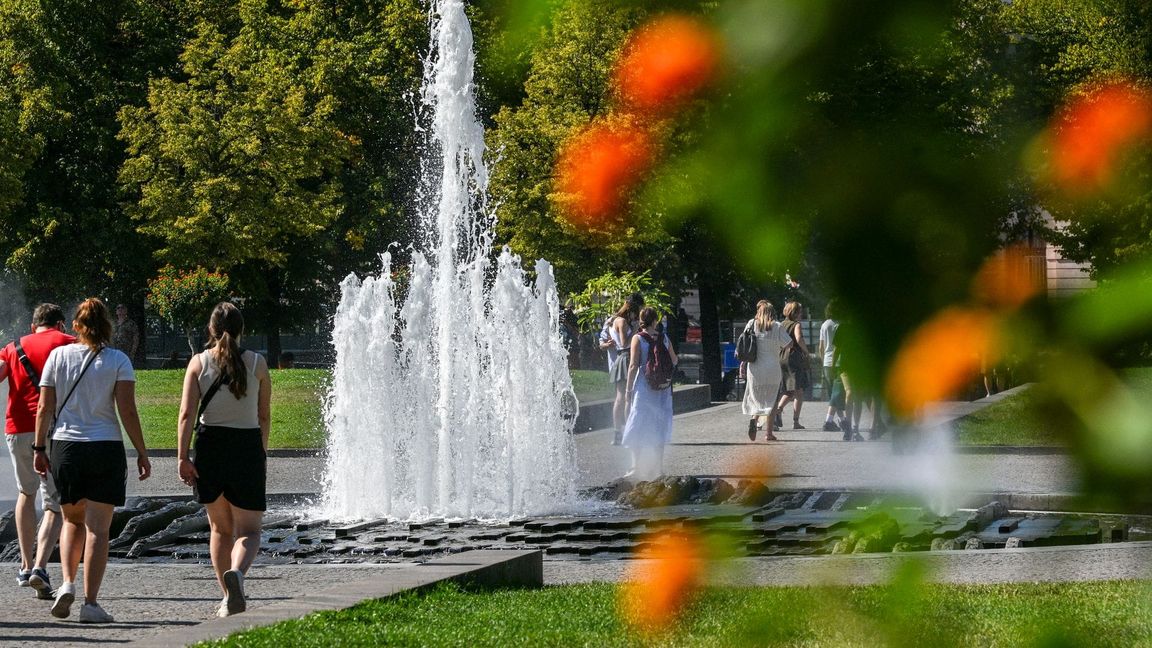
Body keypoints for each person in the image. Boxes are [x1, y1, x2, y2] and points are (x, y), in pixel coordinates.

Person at [33, 298, 151, 623]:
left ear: (75, 325)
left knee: (71, 521)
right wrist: (142, 451)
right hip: (104, 446)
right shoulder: (118, 360)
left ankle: (67, 582)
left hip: (65, 448)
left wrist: (39, 449)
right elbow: (127, 410)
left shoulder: (57, 357)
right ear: (108, 326)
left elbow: (44, 408)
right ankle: (91, 603)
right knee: (98, 528)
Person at [177, 302, 271, 618]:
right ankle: (239, 575)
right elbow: (263, 415)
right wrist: (261, 452)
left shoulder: (198, 363)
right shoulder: (257, 363)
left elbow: (187, 414)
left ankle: (225, 597)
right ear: (242, 329)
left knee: (220, 529)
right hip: (246, 445)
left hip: (210, 446)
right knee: (249, 531)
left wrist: (182, 457)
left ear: (211, 329)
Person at [0, 303, 74, 600]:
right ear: (61, 324)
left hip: (16, 428)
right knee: (54, 503)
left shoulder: (12, 346)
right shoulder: (70, 343)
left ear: (33, 326)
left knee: (25, 493)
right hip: (54, 430)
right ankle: (40, 568)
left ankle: (25, 564)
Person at [621, 307, 677, 480]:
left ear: (641, 319)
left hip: (644, 388)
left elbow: (633, 366)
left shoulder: (638, 338)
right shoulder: (664, 337)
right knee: (659, 425)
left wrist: (628, 390)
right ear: (655, 320)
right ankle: (658, 469)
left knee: (637, 423)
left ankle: (636, 466)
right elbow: (674, 360)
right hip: (662, 389)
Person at [740, 301, 791, 442]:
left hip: (755, 367)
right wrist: (778, 348)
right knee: (773, 399)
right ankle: (769, 433)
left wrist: (742, 363)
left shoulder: (751, 323)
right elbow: (789, 344)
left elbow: (744, 342)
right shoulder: (777, 326)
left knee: (756, 396)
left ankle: (754, 419)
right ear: (772, 313)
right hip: (772, 368)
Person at [600, 294, 643, 445]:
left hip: (619, 359)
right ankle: (629, 432)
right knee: (627, 396)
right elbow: (625, 343)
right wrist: (636, 330)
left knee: (619, 397)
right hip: (625, 357)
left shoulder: (612, 320)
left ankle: (618, 432)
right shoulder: (623, 322)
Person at [775, 301, 812, 430]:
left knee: (797, 391)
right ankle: (777, 413)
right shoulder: (796, 324)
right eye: (800, 311)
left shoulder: (780, 324)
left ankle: (795, 421)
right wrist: (806, 351)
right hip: (794, 359)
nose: (801, 314)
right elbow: (799, 338)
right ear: (794, 312)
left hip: (781, 358)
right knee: (792, 390)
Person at [817, 300, 846, 432]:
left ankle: (843, 420)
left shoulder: (825, 325)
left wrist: (823, 360)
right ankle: (828, 421)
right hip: (838, 361)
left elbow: (821, 347)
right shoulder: (840, 325)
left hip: (826, 362)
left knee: (834, 393)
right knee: (838, 393)